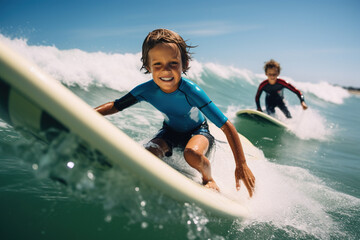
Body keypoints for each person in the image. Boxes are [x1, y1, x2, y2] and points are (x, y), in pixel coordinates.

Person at [94, 29, 255, 196]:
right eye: (157, 64)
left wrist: (241, 164)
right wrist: (90, 114)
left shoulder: (191, 91)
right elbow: (116, 105)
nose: (166, 70)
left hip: (198, 132)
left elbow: (227, 126)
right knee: (150, 151)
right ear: (148, 66)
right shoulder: (147, 90)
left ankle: (209, 179)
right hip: (169, 132)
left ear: (184, 64)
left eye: (173, 63)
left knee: (191, 154)